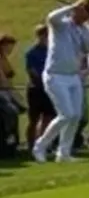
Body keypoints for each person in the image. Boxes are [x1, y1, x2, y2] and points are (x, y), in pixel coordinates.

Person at [33, 0, 89, 164]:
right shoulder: (61, 23)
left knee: (75, 115)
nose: (87, 16)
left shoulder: (82, 29)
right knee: (66, 114)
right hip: (55, 75)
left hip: (73, 76)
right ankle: (40, 146)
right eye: (87, 12)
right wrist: (72, 7)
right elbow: (51, 17)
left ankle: (63, 153)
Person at [24, 25, 53, 154]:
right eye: (45, 35)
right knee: (33, 119)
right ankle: (30, 145)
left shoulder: (52, 51)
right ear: (40, 36)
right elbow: (32, 71)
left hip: (50, 88)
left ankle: (42, 144)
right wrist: (43, 80)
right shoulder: (32, 53)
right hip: (36, 89)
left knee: (48, 117)